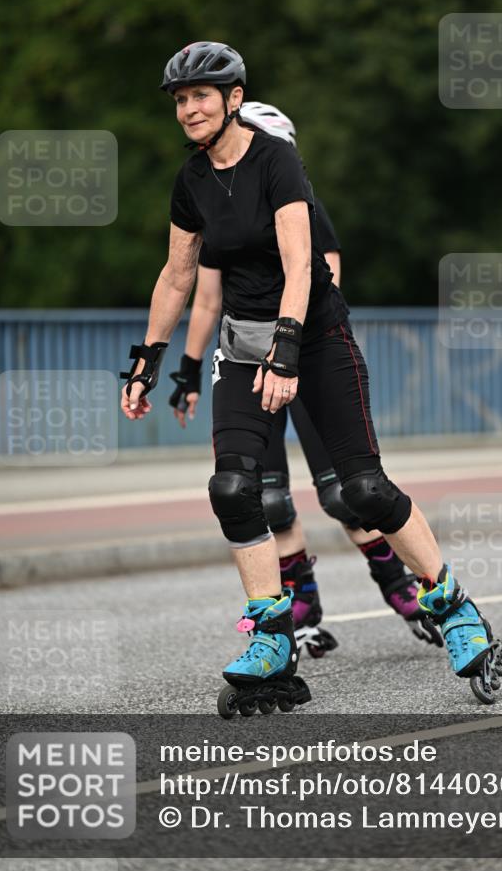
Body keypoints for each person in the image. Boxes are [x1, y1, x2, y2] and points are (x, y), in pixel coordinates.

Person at [120, 41, 502, 717]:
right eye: (180, 99)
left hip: (316, 340)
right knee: (235, 490)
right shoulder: (191, 181)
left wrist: (286, 352)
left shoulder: (275, 161)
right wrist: (149, 362)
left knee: (362, 488)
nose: (188, 109)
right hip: (245, 351)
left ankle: (452, 607)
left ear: (233, 98)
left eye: (200, 96)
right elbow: (180, 275)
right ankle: (270, 636)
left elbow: (301, 265)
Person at [168, 101, 442, 656]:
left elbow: (322, 281)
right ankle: (301, 608)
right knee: (264, 501)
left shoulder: (302, 205)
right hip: (249, 360)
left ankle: (403, 588)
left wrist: (290, 347)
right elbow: (205, 296)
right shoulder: (223, 214)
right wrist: (188, 369)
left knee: (349, 493)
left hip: (301, 354)